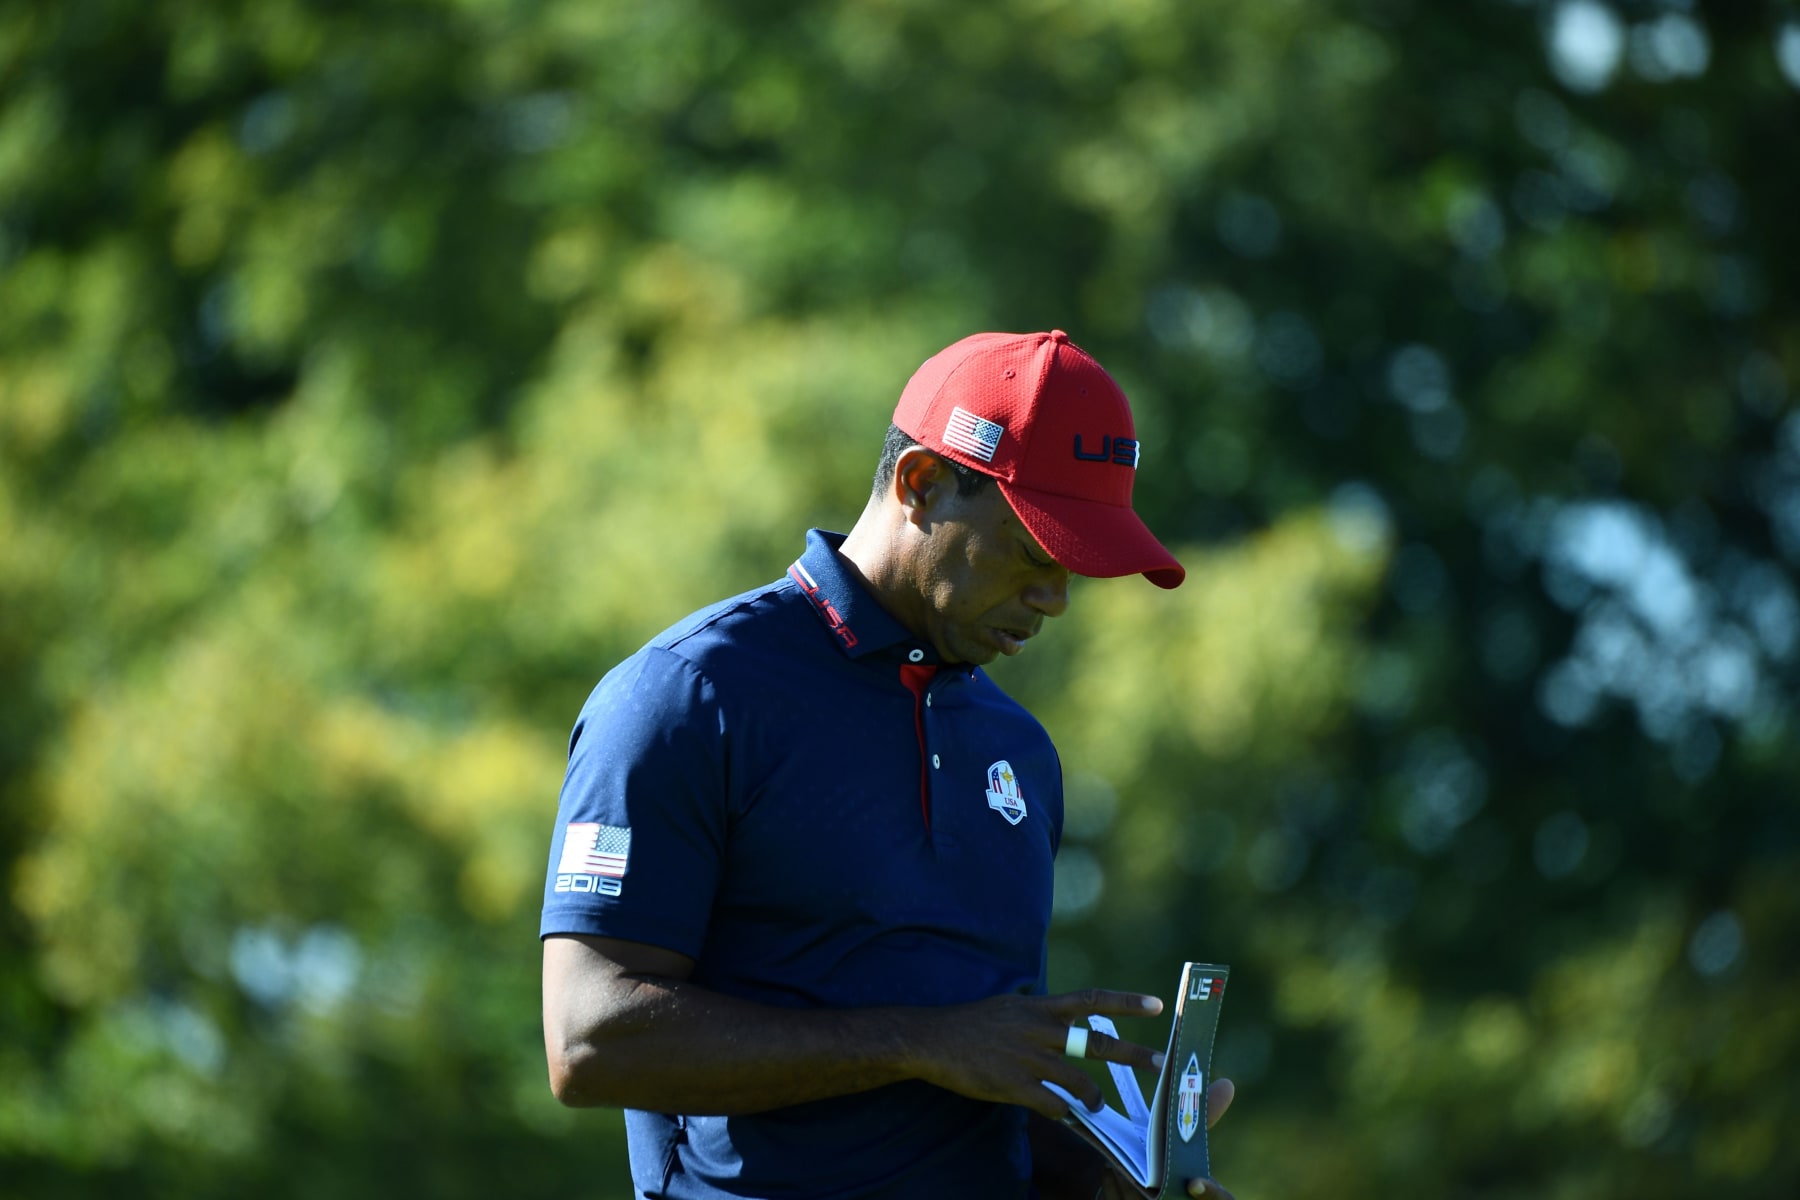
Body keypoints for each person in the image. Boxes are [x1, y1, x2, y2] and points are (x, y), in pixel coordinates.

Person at [540, 330, 1236, 1200]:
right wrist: (920, 1039)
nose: (1056, 599)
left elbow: (978, 1097)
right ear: (921, 484)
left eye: (1074, 570)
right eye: (1034, 552)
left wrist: (1110, 1183)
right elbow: (590, 1041)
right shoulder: (690, 694)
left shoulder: (1019, 751)